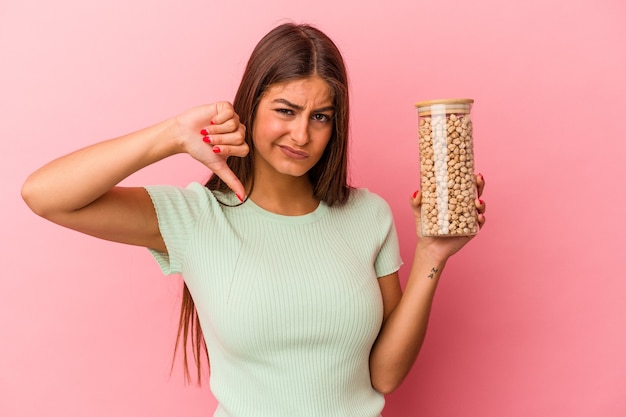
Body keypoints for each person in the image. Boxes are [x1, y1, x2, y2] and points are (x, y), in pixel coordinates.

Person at [21, 22, 486, 417]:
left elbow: (384, 374)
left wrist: (433, 253)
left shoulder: (368, 214)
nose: (301, 134)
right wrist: (173, 135)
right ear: (250, 105)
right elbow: (45, 196)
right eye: (285, 111)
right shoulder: (196, 217)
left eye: (320, 116)